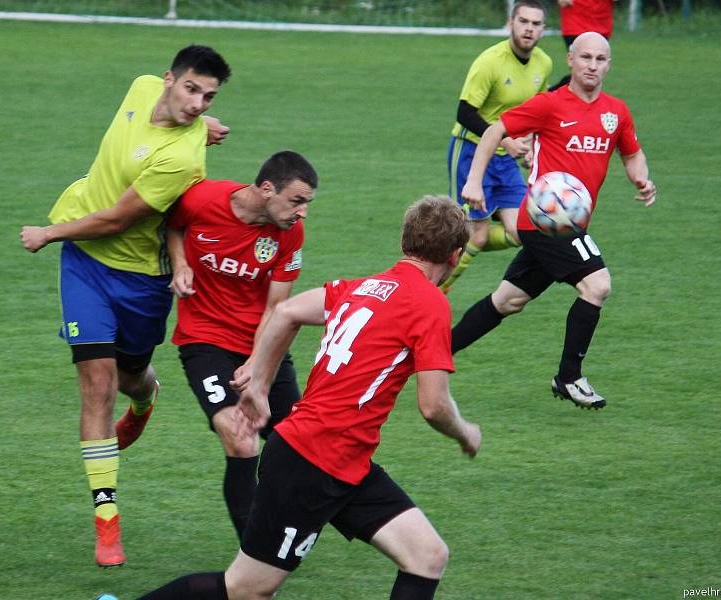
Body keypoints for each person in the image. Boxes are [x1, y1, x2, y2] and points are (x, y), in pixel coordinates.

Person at [137, 195, 482, 600]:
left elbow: (287, 313)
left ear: (406, 242)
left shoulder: (363, 287)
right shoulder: (430, 304)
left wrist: (261, 383)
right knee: (247, 589)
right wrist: (464, 432)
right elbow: (434, 405)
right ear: (455, 256)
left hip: (346, 461)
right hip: (311, 462)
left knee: (427, 555)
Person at [18, 45, 232, 567]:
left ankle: (146, 397)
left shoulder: (180, 160)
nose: (199, 102)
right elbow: (162, 122)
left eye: (210, 97)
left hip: (139, 278)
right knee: (97, 385)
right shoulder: (139, 87)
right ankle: (107, 520)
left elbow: (115, 220)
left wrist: (47, 232)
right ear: (167, 80)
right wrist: (204, 123)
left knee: (131, 376)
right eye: (192, 89)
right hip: (84, 265)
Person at [452, 32, 656, 409]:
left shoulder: (616, 112)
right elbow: (496, 128)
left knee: (507, 301)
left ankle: (431, 355)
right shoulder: (549, 105)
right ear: (571, 60)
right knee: (597, 285)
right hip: (543, 222)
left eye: (600, 59)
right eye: (585, 58)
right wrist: (474, 181)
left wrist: (641, 178)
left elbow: (632, 154)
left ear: (608, 64)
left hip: (569, 225)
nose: (592, 66)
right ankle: (569, 378)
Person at [167, 150, 317, 542]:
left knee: (298, 446)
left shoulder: (290, 233)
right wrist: (180, 263)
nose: (302, 213)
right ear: (267, 189)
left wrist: (257, 364)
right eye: (296, 201)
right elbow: (174, 225)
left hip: (263, 345)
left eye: (307, 204)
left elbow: (276, 307)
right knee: (239, 436)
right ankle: (255, 556)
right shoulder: (202, 199)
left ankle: (289, 526)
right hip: (205, 341)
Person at [441, 0, 552, 294]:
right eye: (523, 21)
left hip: (505, 160)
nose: (529, 29)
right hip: (470, 152)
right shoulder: (490, 62)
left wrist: (529, 146)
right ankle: (437, 290)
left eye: (535, 24)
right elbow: (464, 114)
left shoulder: (544, 64)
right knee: (475, 236)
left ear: (544, 29)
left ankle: (448, 247)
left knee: (521, 231)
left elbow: (536, 112)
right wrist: (506, 140)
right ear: (510, 23)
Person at [549, 0, 616, 90]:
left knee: (593, 73)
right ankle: (552, 94)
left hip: (600, 22)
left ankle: (552, 93)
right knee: (581, 73)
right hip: (575, 21)